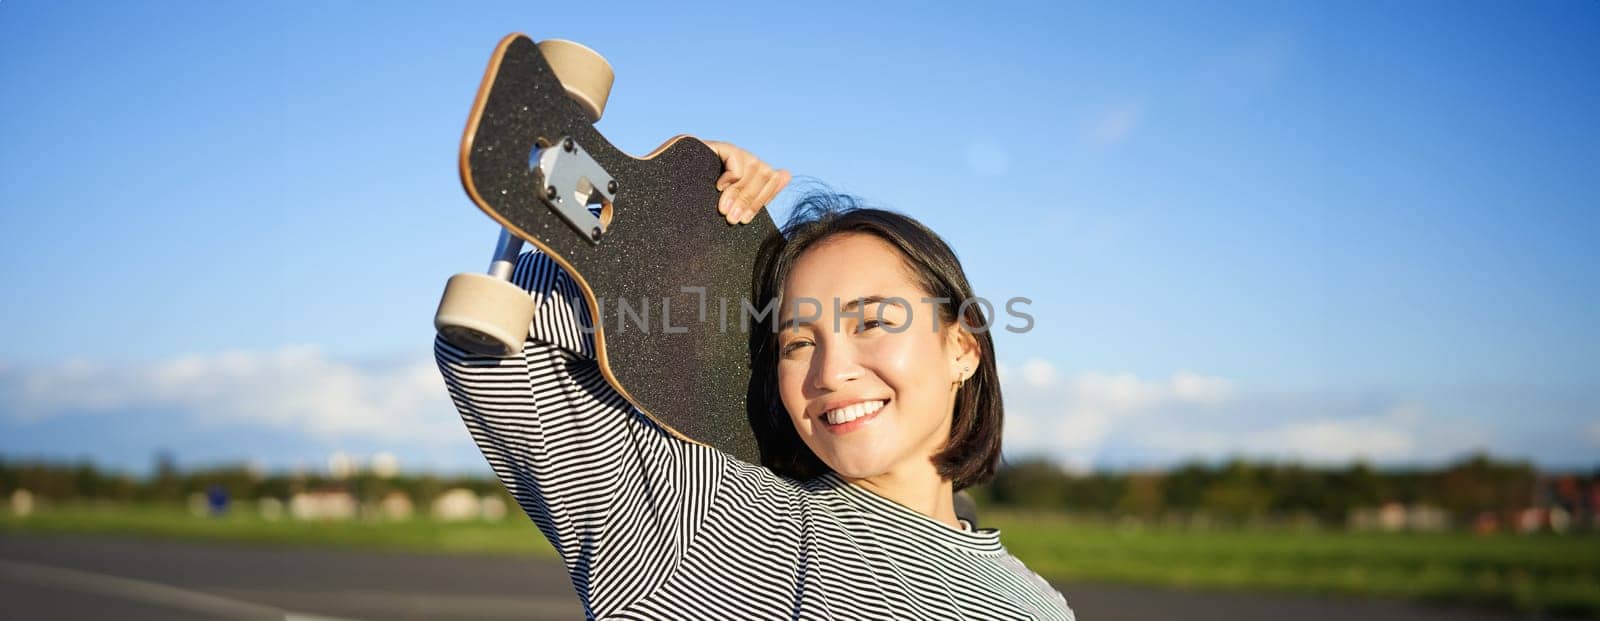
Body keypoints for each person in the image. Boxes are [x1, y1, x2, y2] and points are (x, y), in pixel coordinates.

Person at [435, 140, 1075, 619]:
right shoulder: (709, 521)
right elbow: (500, 341)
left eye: (874, 321)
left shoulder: (1039, 606)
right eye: (798, 341)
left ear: (961, 349)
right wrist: (669, 211)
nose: (832, 372)